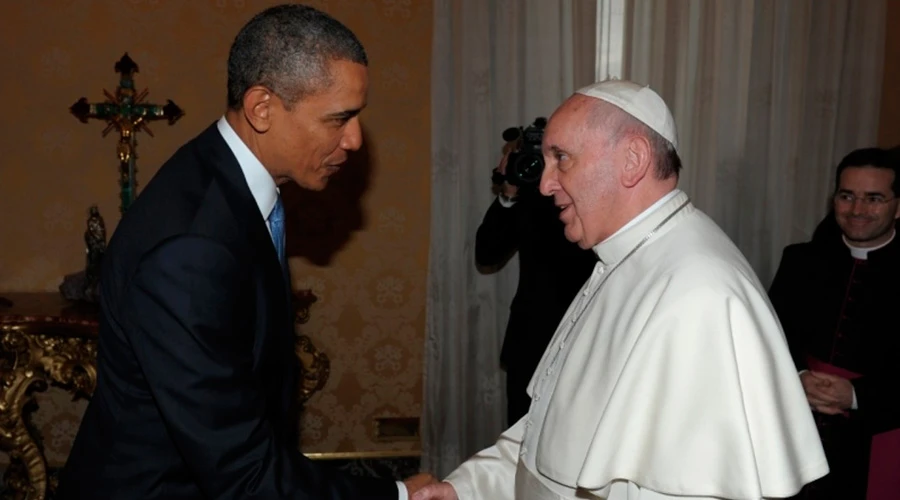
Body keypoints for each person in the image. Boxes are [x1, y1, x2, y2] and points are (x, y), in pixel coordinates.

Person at [56, 4, 433, 499]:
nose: (355, 139)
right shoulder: (191, 248)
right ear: (262, 109)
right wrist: (399, 497)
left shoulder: (228, 183)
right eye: (339, 118)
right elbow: (242, 473)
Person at [413, 80, 828, 500]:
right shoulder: (622, 257)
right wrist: (466, 488)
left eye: (562, 159)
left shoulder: (699, 294)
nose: (544, 184)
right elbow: (549, 432)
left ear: (632, 159)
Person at [768, 147, 900, 500]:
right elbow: (771, 339)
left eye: (874, 198)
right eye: (847, 196)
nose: (857, 210)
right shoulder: (800, 261)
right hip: (798, 430)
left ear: (898, 206)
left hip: (878, 436)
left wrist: (857, 396)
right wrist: (798, 377)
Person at [475, 145, 596, 425]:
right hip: (531, 344)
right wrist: (509, 190)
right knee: (521, 442)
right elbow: (487, 253)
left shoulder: (595, 190)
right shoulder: (529, 190)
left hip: (589, 339)